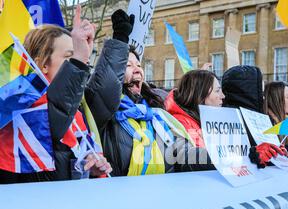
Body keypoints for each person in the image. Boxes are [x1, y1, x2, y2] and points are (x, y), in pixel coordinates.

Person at [85, 10, 216, 176]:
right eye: (128, 65)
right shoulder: (105, 113)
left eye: (139, 65)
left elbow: (181, 153)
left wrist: (223, 158)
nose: (138, 70)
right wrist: (120, 40)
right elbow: (105, 87)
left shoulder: (157, 114)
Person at [3, 6, 112, 184]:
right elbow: (54, 117)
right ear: (42, 64)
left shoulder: (76, 114)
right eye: (69, 57)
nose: (80, 61)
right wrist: (79, 61)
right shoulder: (20, 106)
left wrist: (92, 167)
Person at [164, 69, 225, 148]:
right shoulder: (182, 124)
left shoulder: (201, 120)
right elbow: (198, 158)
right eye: (217, 91)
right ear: (200, 94)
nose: (223, 96)